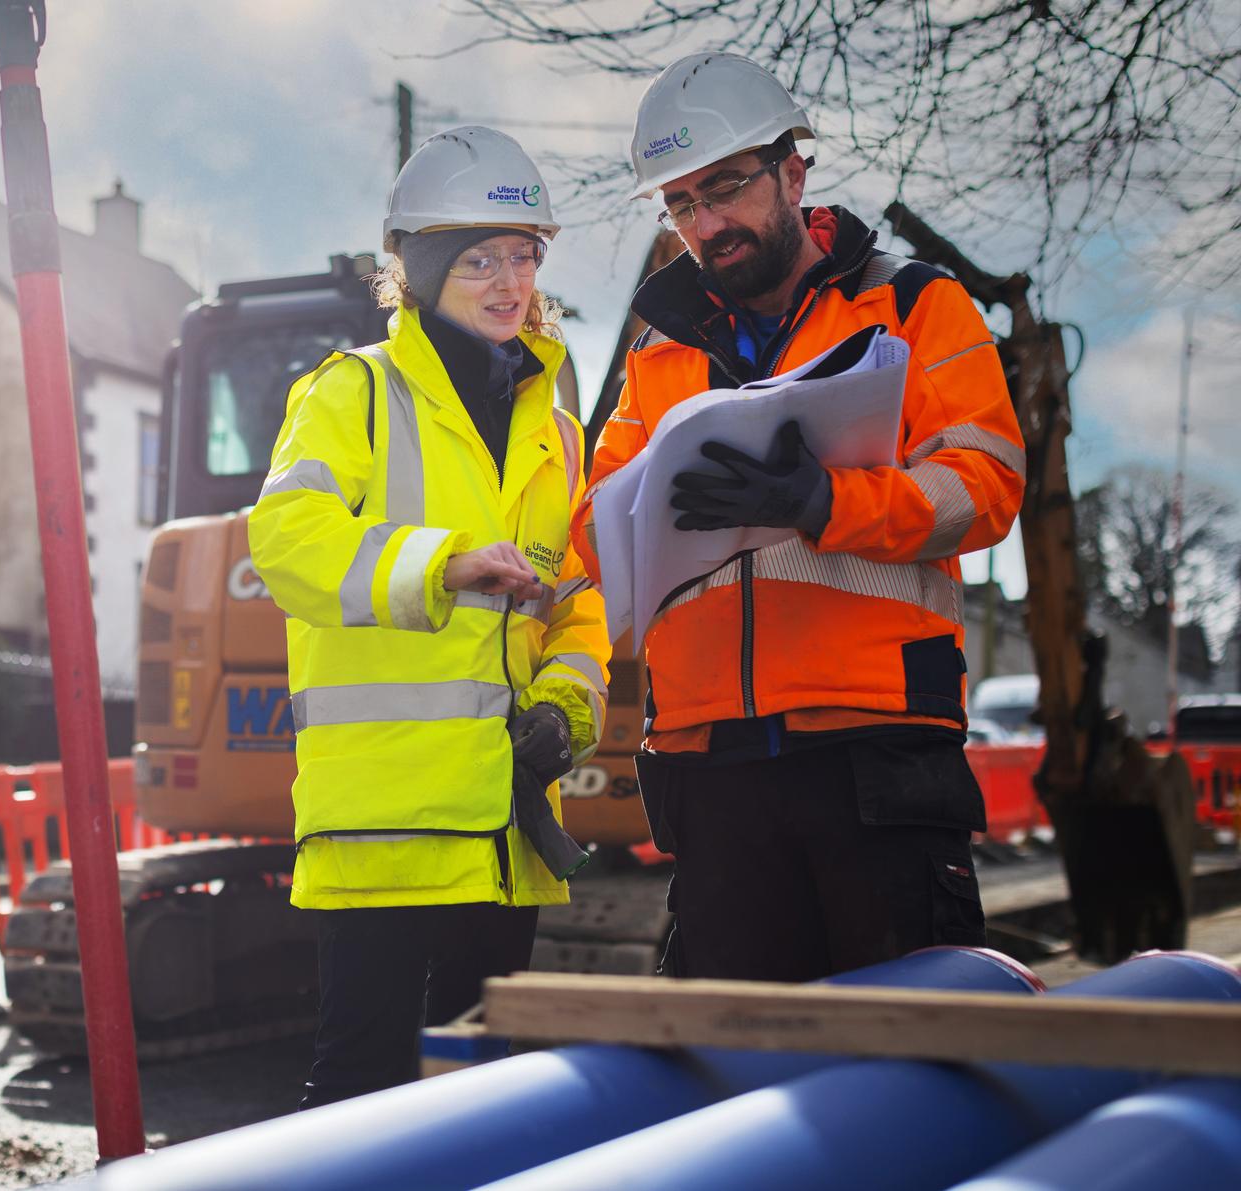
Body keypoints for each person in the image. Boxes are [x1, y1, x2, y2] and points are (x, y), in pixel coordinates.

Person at [571, 52, 1026, 983]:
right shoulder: (659, 356)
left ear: (792, 172)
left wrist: (827, 502)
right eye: (682, 204)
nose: (707, 224)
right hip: (710, 763)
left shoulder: (914, 305)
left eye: (726, 188)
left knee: (901, 1048)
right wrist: (644, 510)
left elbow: (986, 483)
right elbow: (595, 524)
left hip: (876, 748)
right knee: (732, 1056)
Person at [248, 125, 611, 1109]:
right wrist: (442, 566)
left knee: (479, 1099)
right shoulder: (354, 391)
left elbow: (578, 604)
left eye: (524, 256)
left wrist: (566, 712)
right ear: (419, 270)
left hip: (506, 831)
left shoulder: (558, 435)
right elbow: (286, 540)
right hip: (386, 828)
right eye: (480, 260)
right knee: (361, 1099)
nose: (509, 282)